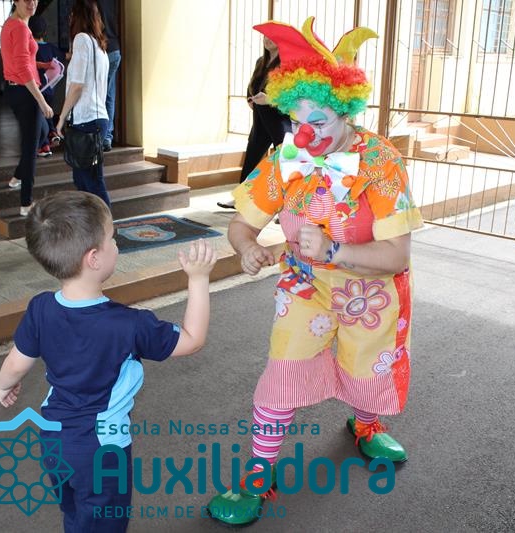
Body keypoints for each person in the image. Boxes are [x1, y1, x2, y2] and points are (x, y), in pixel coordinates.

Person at [207, 19, 424, 526]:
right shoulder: (289, 157)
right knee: (281, 371)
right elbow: (241, 223)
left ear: (347, 111)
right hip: (306, 287)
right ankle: (259, 473)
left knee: (365, 367)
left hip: (371, 291)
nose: (306, 135)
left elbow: (397, 255)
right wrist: (246, 248)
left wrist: (334, 248)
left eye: (320, 123)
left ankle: (365, 425)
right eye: (297, 120)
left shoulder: (381, 162)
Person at [0, 191, 217, 532]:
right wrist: (198, 279)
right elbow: (193, 339)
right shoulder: (129, 325)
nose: (116, 244)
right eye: (112, 237)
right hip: (102, 450)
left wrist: (4, 386)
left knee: (74, 511)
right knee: (104, 523)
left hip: (53, 438)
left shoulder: (40, 307)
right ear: (94, 258)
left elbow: (15, 365)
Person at [217, 36, 288, 210]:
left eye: (272, 37)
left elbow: (289, 95)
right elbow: (253, 85)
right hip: (260, 116)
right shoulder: (260, 61)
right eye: (265, 37)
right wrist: (250, 98)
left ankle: (286, 207)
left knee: (284, 162)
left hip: (278, 118)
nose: (268, 40)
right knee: (251, 159)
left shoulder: (286, 63)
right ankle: (240, 199)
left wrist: (269, 99)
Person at [0, 0, 54, 217]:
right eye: (26, 0)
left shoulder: (12, 24)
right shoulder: (20, 28)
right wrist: (41, 101)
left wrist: (42, 66)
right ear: (16, 1)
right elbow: (22, 68)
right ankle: (26, 203)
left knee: (41, 133)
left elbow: (23, 60)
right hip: (25, 92)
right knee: (31, 146)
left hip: (15, 89)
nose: (32, 3)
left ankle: (17, 176)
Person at [57, 0, 111, 206]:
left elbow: (77, 85)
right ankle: (94, 223)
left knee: (90, 182)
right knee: (85, 180)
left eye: (72, 14)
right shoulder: (100, 46)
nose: (69, 18)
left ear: (78, 16)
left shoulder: (81, 39)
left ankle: (105, 223)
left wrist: (61, 118)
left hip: (86, 119)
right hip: (98, 118)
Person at [28, 15, 63, 157]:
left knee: (38, 118)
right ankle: (52, 132)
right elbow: (64, 57)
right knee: (47, 113)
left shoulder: (31, 48)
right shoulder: (51, 48)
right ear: (45, 32)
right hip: (49, 89)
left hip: (36, 89)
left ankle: (44, 146)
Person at [97, 0, 120, 152]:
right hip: (115, 49)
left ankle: (100, 135)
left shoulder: (92, 4)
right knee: (109, 95)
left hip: (102, 49)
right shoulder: (113, 3)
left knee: (99, 94)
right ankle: (107, 137)